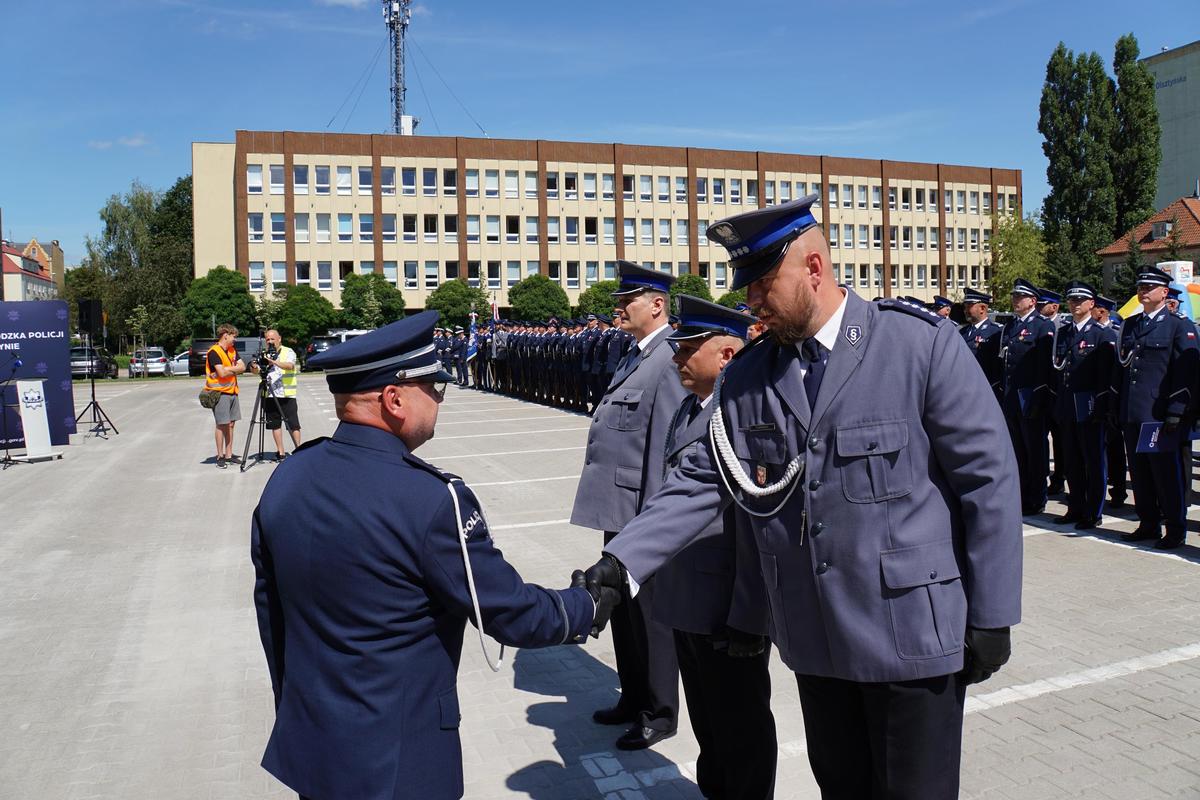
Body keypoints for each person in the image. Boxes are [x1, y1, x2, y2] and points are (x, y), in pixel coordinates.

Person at [588, 195, 1022, 799]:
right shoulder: (749, 377)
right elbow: (702, 479)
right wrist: (621, 563)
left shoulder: (919, 346)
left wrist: (993, 613)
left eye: (764, 282)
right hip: (816, 640)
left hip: (911, 637)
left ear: (814, 268)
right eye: (746, 285)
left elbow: (988, 483)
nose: (750, 300)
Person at [251, 311, 617, 800]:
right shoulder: (430, 499)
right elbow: (508, 612)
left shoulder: (288, 477)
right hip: (399, 760)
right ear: (394, 398)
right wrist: (584, 605)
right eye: (434, 388)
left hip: (315, 744)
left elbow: (271, 616)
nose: (441, 400)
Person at [620, 293, 778, 799]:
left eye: (689, 349)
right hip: (687, 597)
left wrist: (750, 614)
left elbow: (757, 528)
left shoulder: (742, 417)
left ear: (727, 355)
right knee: (710, 726)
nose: (677, 357)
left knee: (742, 728)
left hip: (727, 607)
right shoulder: (693, 407)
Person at [570, 261, 687, 751]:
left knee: (652, 618)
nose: (619, 309)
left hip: (642, 514)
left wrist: (653, 524)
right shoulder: (634, 355)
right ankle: (633, 693)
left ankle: (658, 711)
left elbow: (665, 446)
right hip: (619, 510)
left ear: (656, 305)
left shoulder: (669, 359)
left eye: (627, 301)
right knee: (623, 611)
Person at [1112, 267, 1200, 550]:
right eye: (1140, 286)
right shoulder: (1130, 324)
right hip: (1133, 412)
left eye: (1149, 287)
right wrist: (1117, 407)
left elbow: (1185, 373)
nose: (1143, 291)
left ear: (1164, 292)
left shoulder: (1178, 325)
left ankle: (1175, 530)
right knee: (1139, 473)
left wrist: (1176, 410)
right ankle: (1147, 523)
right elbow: (1123, 370)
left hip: (1158, 414)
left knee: (1165, 474)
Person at [1050, 282, 1115, 530]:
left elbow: (1105, 376)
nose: (1076, 304)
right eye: (1072, 300)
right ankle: (1075, 505)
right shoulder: (1063, 333)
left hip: (1090, 408)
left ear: (1091, 304)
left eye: (1081, 300)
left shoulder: (1101, 334)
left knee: (1093, 461)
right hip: (1067, 406)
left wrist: (1102, 407)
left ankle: (1093, 511)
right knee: (1072, 460)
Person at [1001, 279, 1056, 514]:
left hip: (1031, 398)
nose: (1015, 300)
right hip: (1012, 399)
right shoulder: (1010, 327)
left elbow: (1045, 369)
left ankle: (1037, 497)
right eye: (1014, 296)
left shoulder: (1043, 327)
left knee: (1035, 451)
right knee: (1017, 452)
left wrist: (1039, 398)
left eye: (1020, 297)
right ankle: (1021, 495)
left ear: (1032, 301)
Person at [1093, 296, 1128, 507]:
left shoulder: (1115, 331)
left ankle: (1119, 491)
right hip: (1095, 399)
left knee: (1115, 448)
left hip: (1111, 396)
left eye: (1096, 308)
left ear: (1103, 311)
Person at [250, 329, 302, 460]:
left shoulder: (288, 351)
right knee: (275, 424)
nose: (270, 341)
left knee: (293, 424)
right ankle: (281, 452)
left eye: (273, 339)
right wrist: (254, 367)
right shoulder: (264, 354)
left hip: (286, 394)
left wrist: (273, 361)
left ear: (279, 339)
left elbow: (289, 366)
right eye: (267, 339)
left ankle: (299, 450)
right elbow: (256, 371)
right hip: (269, 394)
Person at [206, 324, 246, 469]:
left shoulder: (232, 351)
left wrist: (228, 369)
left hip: (233, 391)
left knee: (231, 424)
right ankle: (220, 455)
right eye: (234, 336)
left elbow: (243, 367)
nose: (235, 340)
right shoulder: (214, 352)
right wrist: (234, 370)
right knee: (221, 424)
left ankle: (229, 454)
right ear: (226, 335)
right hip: (220, 392)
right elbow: (221, 374)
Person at [960, 288, 1003, 397]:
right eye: (965, 306)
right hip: (964, 387)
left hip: (985, 389)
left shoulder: (995, 331)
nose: (965, 310)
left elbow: (997, 366)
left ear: (982, 308)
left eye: (969, 306)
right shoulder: (963, 332)